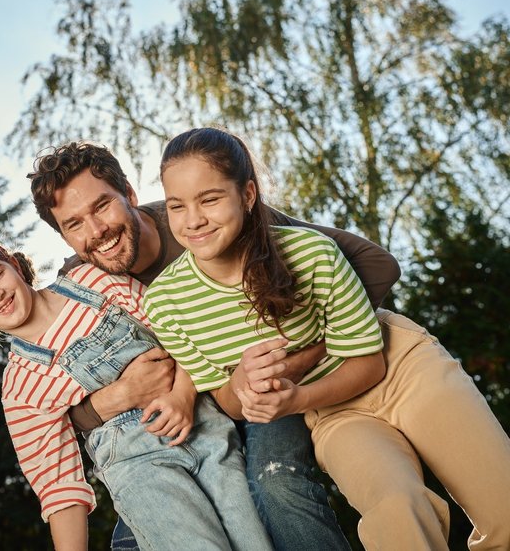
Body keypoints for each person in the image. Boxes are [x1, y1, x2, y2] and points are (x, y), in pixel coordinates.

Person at [141, 127, 510, 551]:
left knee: (503, 511)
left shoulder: (312, 252)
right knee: (398, 513)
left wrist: (294, 397)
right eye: (177, 205)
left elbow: (370, 364)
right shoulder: (166, 302)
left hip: (404, 369)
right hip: (332, 413)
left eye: (209, 199)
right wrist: (242, 381)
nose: (193, 220)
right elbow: (225, 400)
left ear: (246, 195)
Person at [28, 141, 402, 550]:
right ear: (63, 236)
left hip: (261, 397)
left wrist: (298, 356)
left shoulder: (205, 221)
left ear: (130, 195)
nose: (96, 231)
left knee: (274, 480)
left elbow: (376, 266)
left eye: (102, 206)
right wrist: (121, 394)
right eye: (74, 224)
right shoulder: (78, 289)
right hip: (183, 423)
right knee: (133, 539)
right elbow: (63, 409)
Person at [0, 230, 273, 551]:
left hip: (207, 430)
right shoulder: (21, 388)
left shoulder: (92, 281)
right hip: (139, 470)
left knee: (255, 542)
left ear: (14, 264)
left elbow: (180, 329)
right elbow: (59, 487)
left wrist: (182, 392)